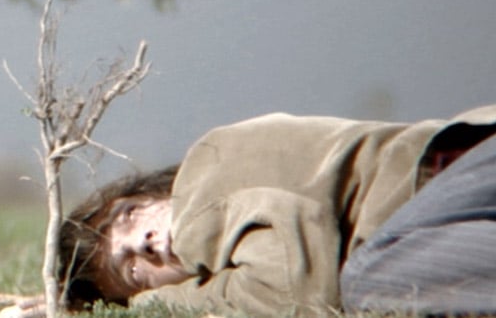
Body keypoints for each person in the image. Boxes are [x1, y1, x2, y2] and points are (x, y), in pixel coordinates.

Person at [51, 104, 496, 316]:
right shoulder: (232, 228)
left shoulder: (202, 185)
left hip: (451, 175)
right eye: (130, 269)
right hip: (464, 171)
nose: (144, 243)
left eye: (128, 216)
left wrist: (150, 304)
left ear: (148, 194)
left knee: (367, 282)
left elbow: (298, 297)